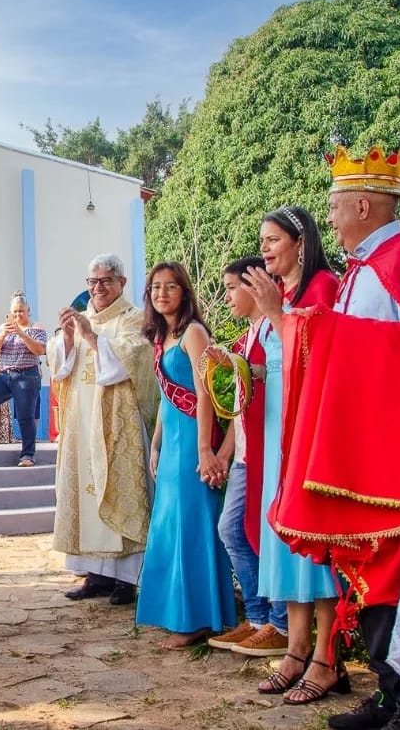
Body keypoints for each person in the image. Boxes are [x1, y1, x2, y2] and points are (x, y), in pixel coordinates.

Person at [265, 149, 400, 729]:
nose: (332, 216)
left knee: (392, 570)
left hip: (383, 453)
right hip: (367, 449)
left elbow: (370, 352)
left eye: (335, 205)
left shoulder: (390, 265)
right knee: (377, 571)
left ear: (363, 205)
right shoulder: (367, 267)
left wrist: (283, 317)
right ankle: (391, 694)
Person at [242, 206, 345, 703]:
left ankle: (328, 656)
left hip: (309, 421)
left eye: (273, 240)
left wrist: (275, 313)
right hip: (276, 423)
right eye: (261, 241)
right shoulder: (277, 296)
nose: (264, 250)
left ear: (300, 242)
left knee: (314, 536)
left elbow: (324, 356)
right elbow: (274, 363)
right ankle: (297, 648)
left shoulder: (324, 286)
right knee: (284, 534)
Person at [48, 254, 158, 606]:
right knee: (88, 493)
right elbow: (61, 370)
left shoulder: (133, 319)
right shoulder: (84, 321)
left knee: (119, 491)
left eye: (105, 281)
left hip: (116, 425)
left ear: (122, 283)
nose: (97, 288)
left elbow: (133, 360)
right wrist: (66, 338)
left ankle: (126, 579)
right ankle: (96, 574)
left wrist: (91, 337)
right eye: (92, 282)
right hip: (82, 422)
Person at [136, 262, 236, 648]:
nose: (162, 294)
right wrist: (157, 444)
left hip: (195, 440)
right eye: (156, 288)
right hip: (173, 442)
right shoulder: (163, 337)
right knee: (169, 526)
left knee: (192, 526)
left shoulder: (194, 333)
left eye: (170, 287)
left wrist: (205, 449)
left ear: (185, 292)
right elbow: (166, 399)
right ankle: (179, 612)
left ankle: (198, 619)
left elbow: (204, 392)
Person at [206, 257, 289, 657]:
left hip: (267, 449)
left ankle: (277, 621)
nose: (226, 297)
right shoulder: (250, 335)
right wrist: (225, 453)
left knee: (250, 533)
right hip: (246, 450)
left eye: (231, 287)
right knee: (234, 531)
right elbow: (238, 408)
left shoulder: (276, 328)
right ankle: (259, 617)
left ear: (255, 286)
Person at [0, 291, 46, 467]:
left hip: (27, 375)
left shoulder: (36, 327)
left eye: (21, 311)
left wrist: (22, 334)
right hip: (5, 375)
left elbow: (40, 350)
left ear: (28, 310)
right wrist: (2, 336)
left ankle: (28, 454)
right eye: (15, 312)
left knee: (25, 416)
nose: (18, 315)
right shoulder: (4, 328)